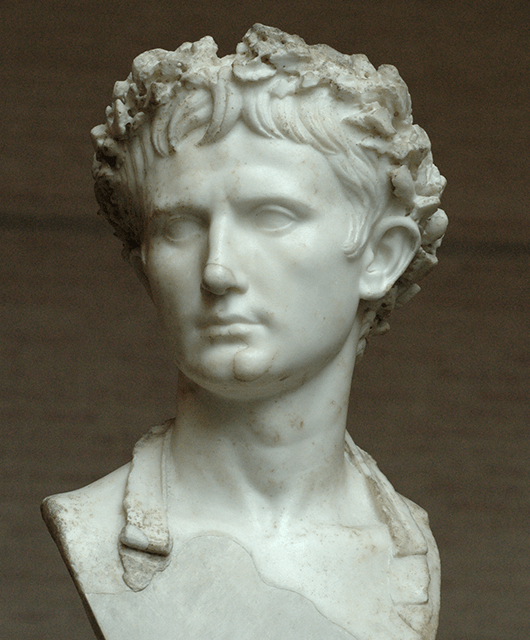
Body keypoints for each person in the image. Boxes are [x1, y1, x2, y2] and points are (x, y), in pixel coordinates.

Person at [43, 24, 447, 640]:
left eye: (273, 216)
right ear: (143, 261)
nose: (218, 268)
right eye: (179, 227)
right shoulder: (89, 525)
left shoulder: (407, 547)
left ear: (380, 256)